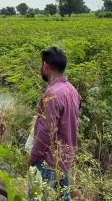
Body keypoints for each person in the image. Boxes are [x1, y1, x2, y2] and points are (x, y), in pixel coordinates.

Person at [28, 47, 80, 200]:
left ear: (45, 66)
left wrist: (33, 157)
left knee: (36, 197)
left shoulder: (51, 94)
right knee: (64, 196)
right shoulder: (72, 90)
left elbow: (46, 132)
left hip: (48, 160)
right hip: (66, 158)